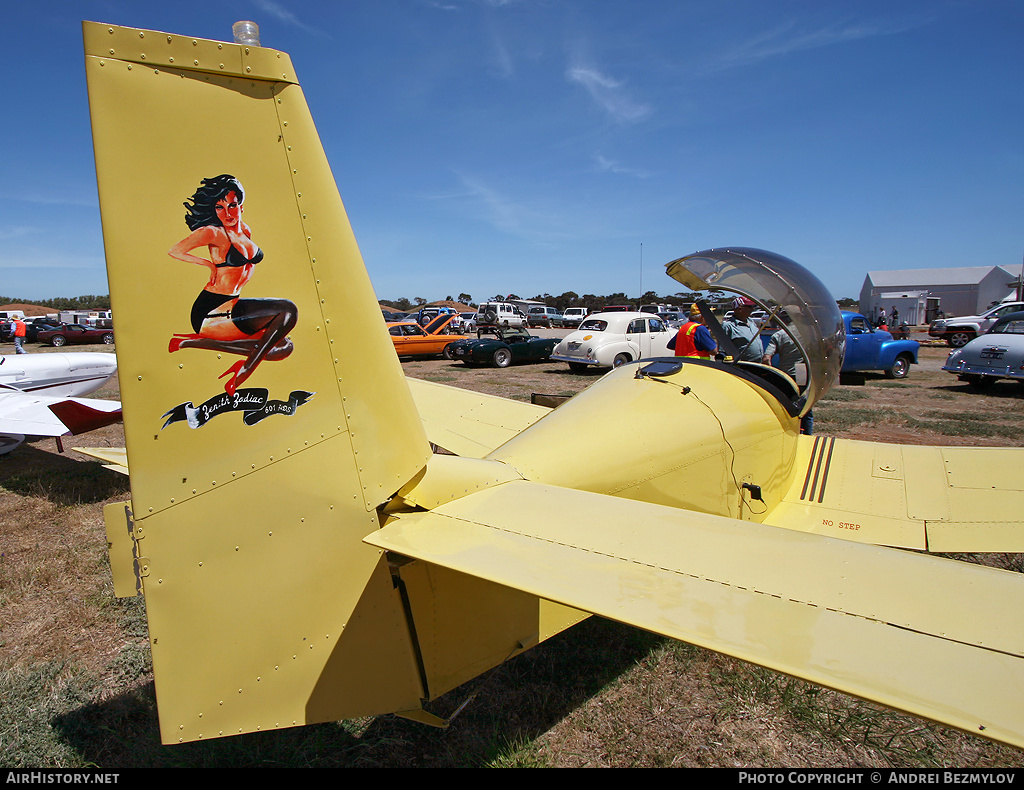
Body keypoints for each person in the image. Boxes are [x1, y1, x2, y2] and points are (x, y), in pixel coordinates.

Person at [168, 175, 298, 395]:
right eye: (219, 207)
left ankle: (189, 343)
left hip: (232, 306)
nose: (227, 213)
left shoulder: (245, 231)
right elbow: (175, 250)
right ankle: (244, 370)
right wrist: (209, 264)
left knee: (284, 347)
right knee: (288, 310)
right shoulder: (213, 232)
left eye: (232, 205)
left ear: (241, 205)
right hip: (211, 310)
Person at [761, 325, 813, 435]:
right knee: (806, 409)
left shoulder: (779, 335)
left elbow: (766, 358)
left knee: (787, 408)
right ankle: (808, 435)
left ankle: (789, 433)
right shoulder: (807, 334)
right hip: (803, 373)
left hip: (787, 376)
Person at [722, 296, 762, 362]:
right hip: (743, 365)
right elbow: (723, 350)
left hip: (759, 363)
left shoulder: (751, 322)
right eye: (749, 307)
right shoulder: (729, 326)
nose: (752, 309)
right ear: (739, 309)